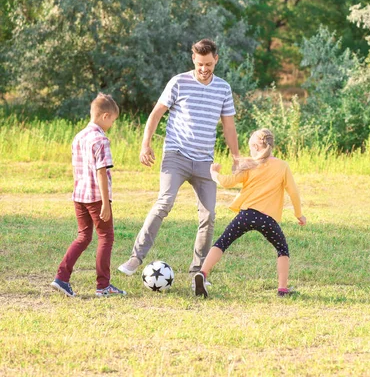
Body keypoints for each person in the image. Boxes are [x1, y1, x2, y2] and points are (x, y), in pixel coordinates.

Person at [118, 39, 240, 281]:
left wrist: (236, 158)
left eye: (208, 63)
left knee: (208, 215)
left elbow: (229, 127)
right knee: (165, 202)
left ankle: (198, 272)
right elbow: (155, 115)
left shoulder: (223, 88)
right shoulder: (178, 82)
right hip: (176, 155)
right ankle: (135, 257)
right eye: (200, 63)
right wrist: (146, 144)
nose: (204, 68)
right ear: (193, 59)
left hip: (205, 161)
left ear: (216, 59)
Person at [193, 128, 306, 298]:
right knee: (282, 249)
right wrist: (299, 214)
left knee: (222, 242)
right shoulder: (282, 166)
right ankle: (282, 289)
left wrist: (214, 173)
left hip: (246, 215)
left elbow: (227, 182)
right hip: (268, 219)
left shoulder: (248, 165)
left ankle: (202, 273)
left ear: (255, 146)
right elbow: (294, 192)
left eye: (251, 147)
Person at [50, 93, 126, 297]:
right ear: (105, 116)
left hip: (79, 196)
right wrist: (105, 203)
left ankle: (61, 278)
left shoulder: (79, 136)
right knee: (106, 237)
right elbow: (101, 172)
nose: (112, 124)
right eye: (113, 120)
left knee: (83, 236)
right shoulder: (101, 139)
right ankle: (103, 286)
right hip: (96, 198)